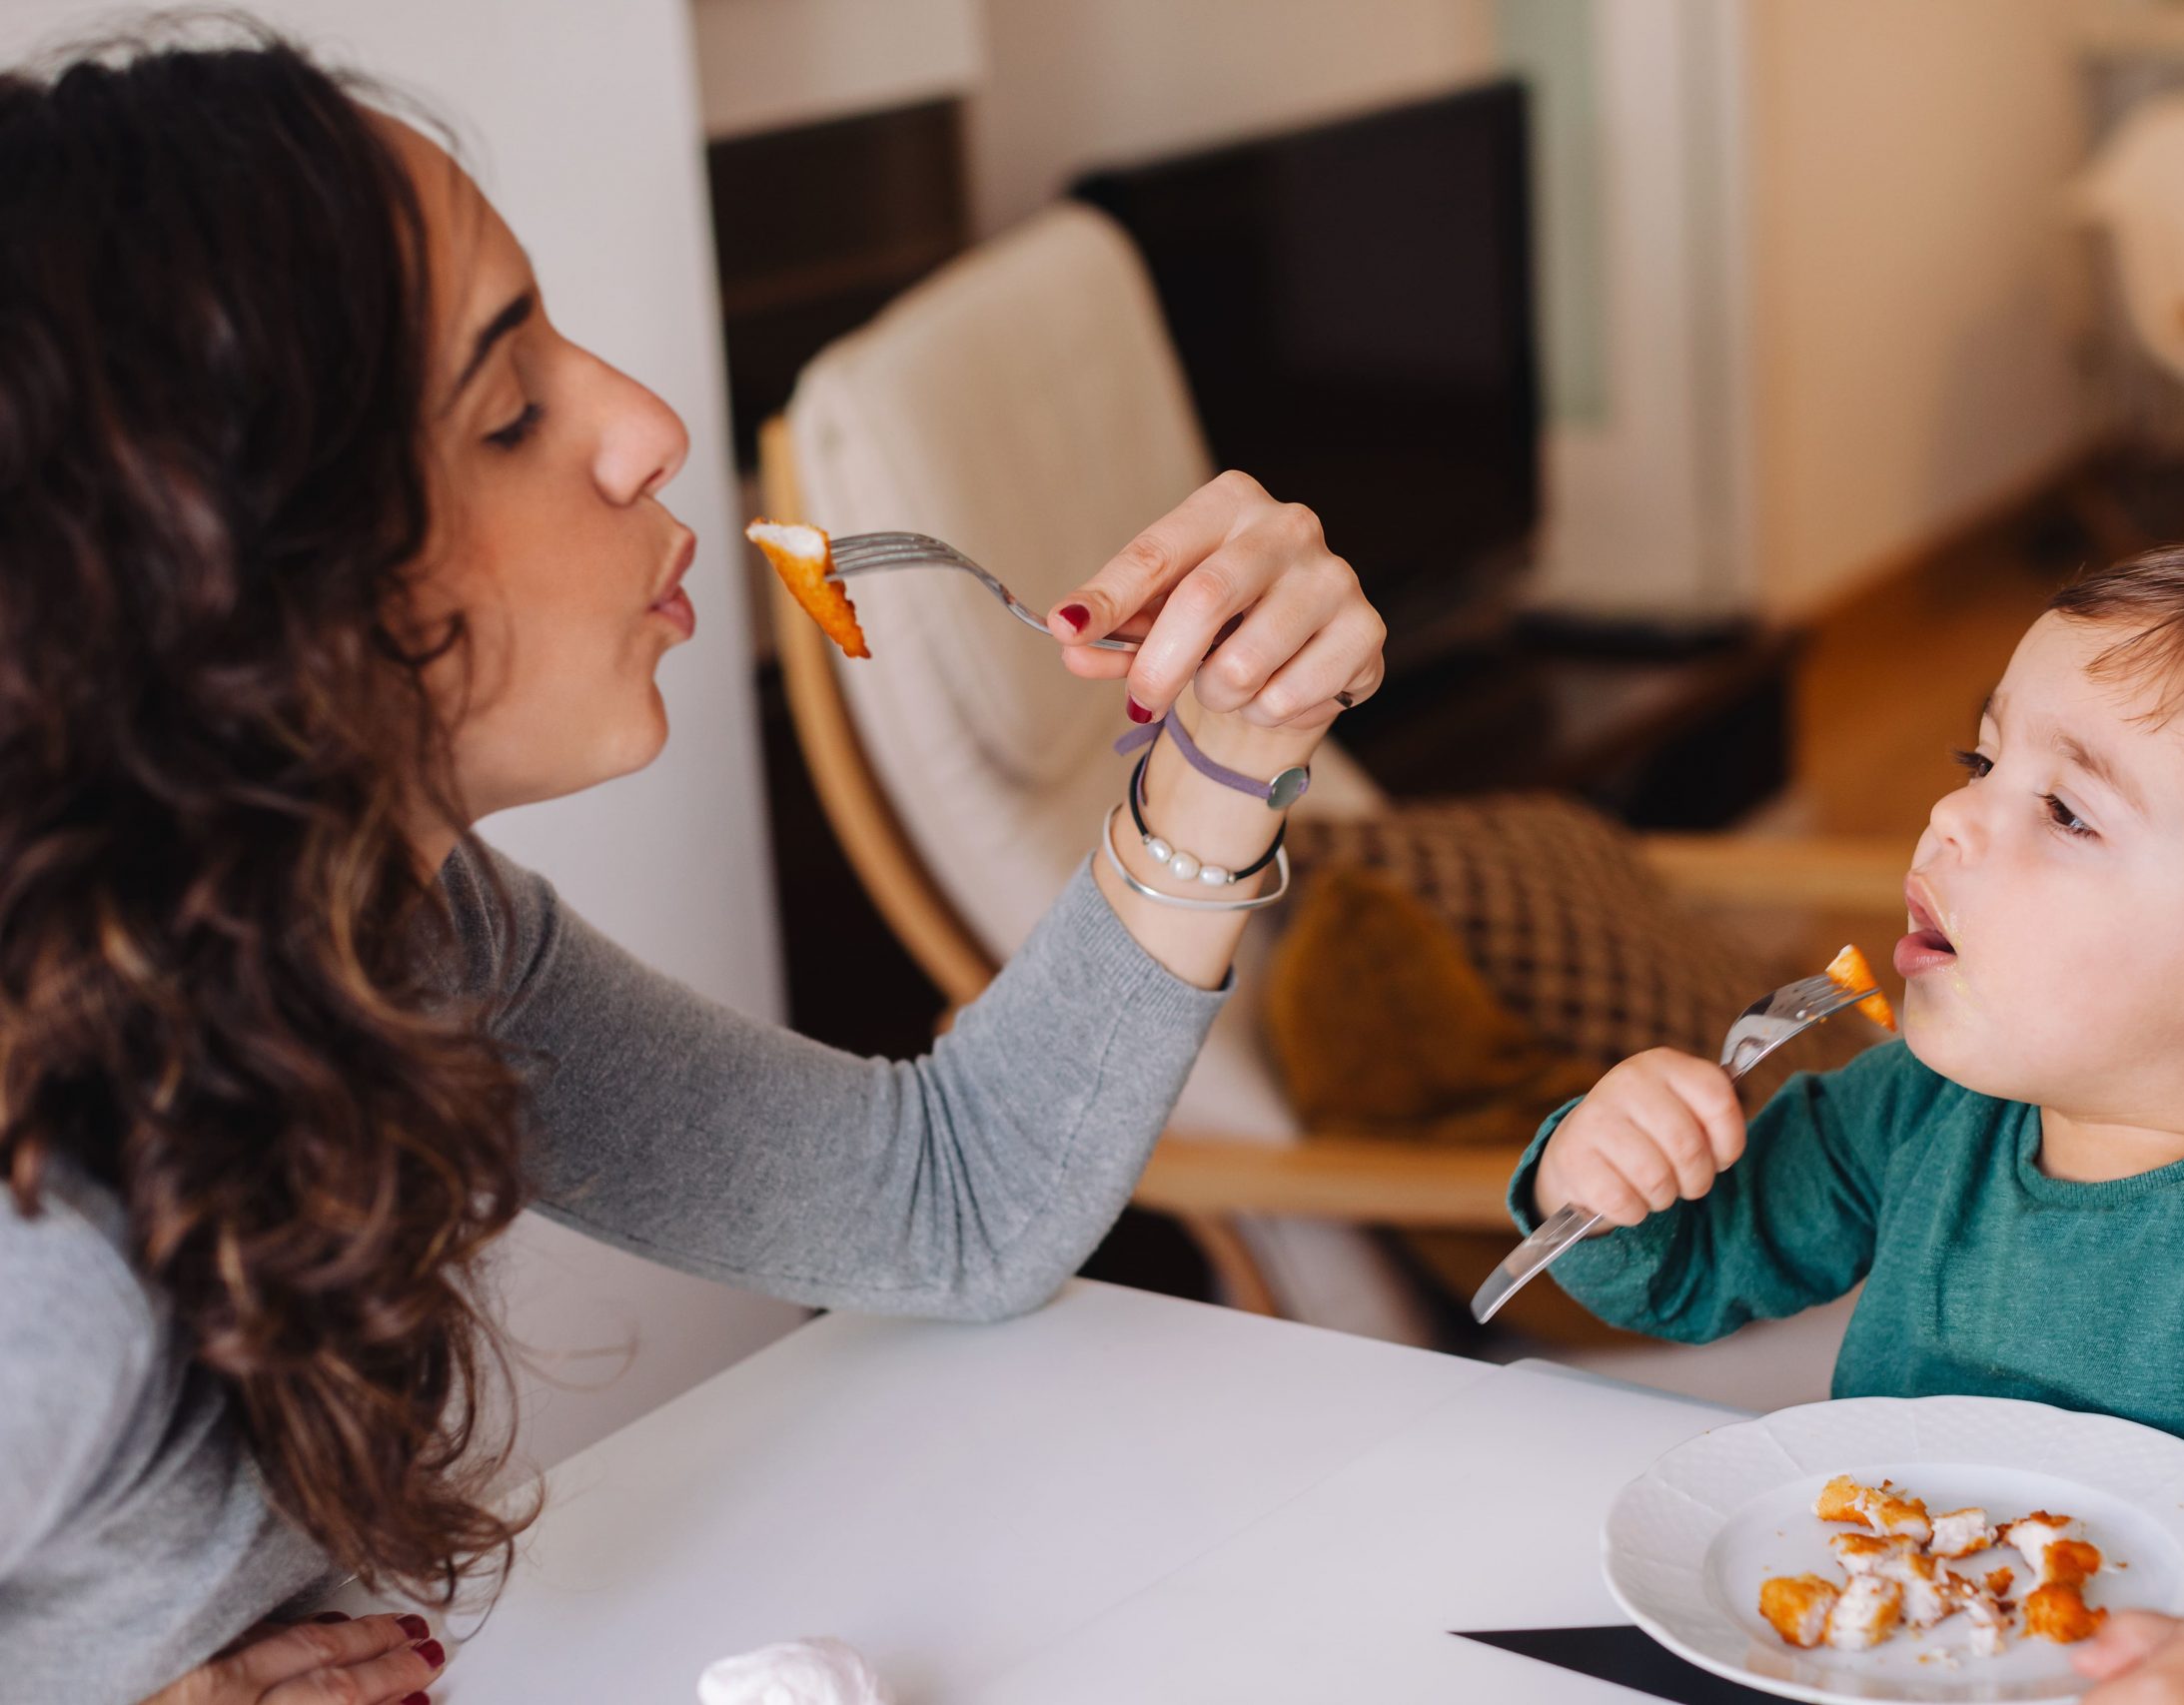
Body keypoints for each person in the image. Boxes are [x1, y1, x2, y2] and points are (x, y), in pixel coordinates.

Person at [0, 25, 1385, 1705]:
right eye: (511, 410)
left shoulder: (413, 931)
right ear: (236, 582)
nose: (650, 426)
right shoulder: (48, 1240)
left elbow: (956, 1202)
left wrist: (1229, 754)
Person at [1514, 541, 2184, 1704]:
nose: (1952, 814)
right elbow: (1687, 1276)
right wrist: (1604, 1172)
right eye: (1981, 757)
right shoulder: (1922, 1104)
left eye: (2063, 809)